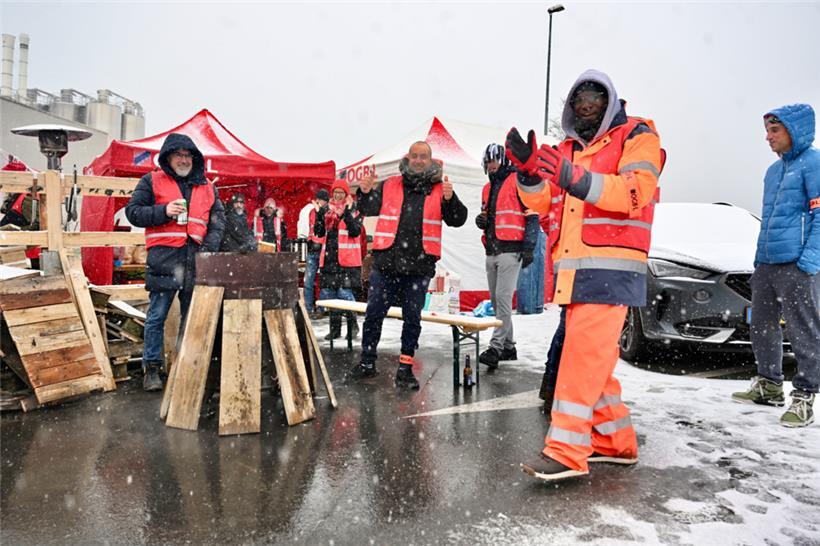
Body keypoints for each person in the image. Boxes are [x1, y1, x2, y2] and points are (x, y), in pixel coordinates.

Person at [508, 69, 663, 481]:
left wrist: (571, 176)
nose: (587, 106)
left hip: (611, 269)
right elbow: (542, 206)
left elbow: (634, 191)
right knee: (595, 366)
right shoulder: (567, 150)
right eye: (580, 100)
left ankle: (566, 451)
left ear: (610, 102)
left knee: (578, 363)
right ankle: (615, 443)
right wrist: (528, 176)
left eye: (596, 98)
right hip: (574, 273)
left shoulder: (637, 135)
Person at [351, 141, 468, 389]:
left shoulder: (441, 188)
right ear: (408, 158)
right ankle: (367, 362)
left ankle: (405, 369)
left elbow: (458, 219)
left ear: (430, 160)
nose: (418, 160)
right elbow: (367, 208)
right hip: (386, 264)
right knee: (374, 314)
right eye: (414, 155)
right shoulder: (390, 184)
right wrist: (364, 192)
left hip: (419, 267)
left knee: (412, 319)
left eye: (423, 156)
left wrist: (450, 199)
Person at [732, 104, 820, 428]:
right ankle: (769, 385)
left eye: (774, 130)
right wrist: (759, 259)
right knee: (762, 326)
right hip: (767, 264)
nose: (767, 137)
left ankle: (805, 396)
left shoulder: (814, 163)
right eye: (767, 131)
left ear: (794, 130)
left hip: (797, 264)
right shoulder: (772, 172)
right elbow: (769, 218)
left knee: (803, 330)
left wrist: (809, 261)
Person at [125, 133, 225, 391]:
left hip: (196, 262)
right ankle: (152, 369)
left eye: (187, 155)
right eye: (178, 155)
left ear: (194, 158)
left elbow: (218, 221)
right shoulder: (151, 180)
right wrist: (163, 211)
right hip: (165, 261)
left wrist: (208, 249)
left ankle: (184, 367)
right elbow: (133, 212)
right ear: (168, 157)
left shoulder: (207, 186)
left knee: (191, 319)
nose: (183, 160)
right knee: (156, 316)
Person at [475, 143, 540, 369]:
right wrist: (481, 221)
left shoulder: (517, 181)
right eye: (487, 162)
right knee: (496, 301)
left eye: (493, 160)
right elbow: (487, 215)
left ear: (502, 160)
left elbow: (532, 215)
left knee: (503, 299)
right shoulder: (486, 188)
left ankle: (495, 348)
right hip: (491, 249)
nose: (490, 165)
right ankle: (509, 347)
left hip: (511, 250)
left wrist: (529, 247)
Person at [314, 179, 362, 340]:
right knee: (330, 295)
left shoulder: (354, 208)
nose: (338, 195)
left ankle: (352, 326)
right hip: (330, 259)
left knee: (345, 294)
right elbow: (319, 232)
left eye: (341, 192)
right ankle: (335, 329)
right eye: (335, 192)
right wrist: (319, 216)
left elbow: (355, 231)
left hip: (347, 260)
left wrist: (346, 213)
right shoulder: (327, 210)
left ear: (346, 194)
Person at [305, 189, 329, 318]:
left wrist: (320, 243)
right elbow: (311, 229)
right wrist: (310, 241)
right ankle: (308, 309)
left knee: (322, 281)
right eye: (318, 199)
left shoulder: (328, 213)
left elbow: (325, 230)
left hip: (323, 251)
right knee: (308, 281)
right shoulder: (311, 212)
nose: (318, 201)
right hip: (313, 250)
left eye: (321, 200)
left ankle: (321, 308)